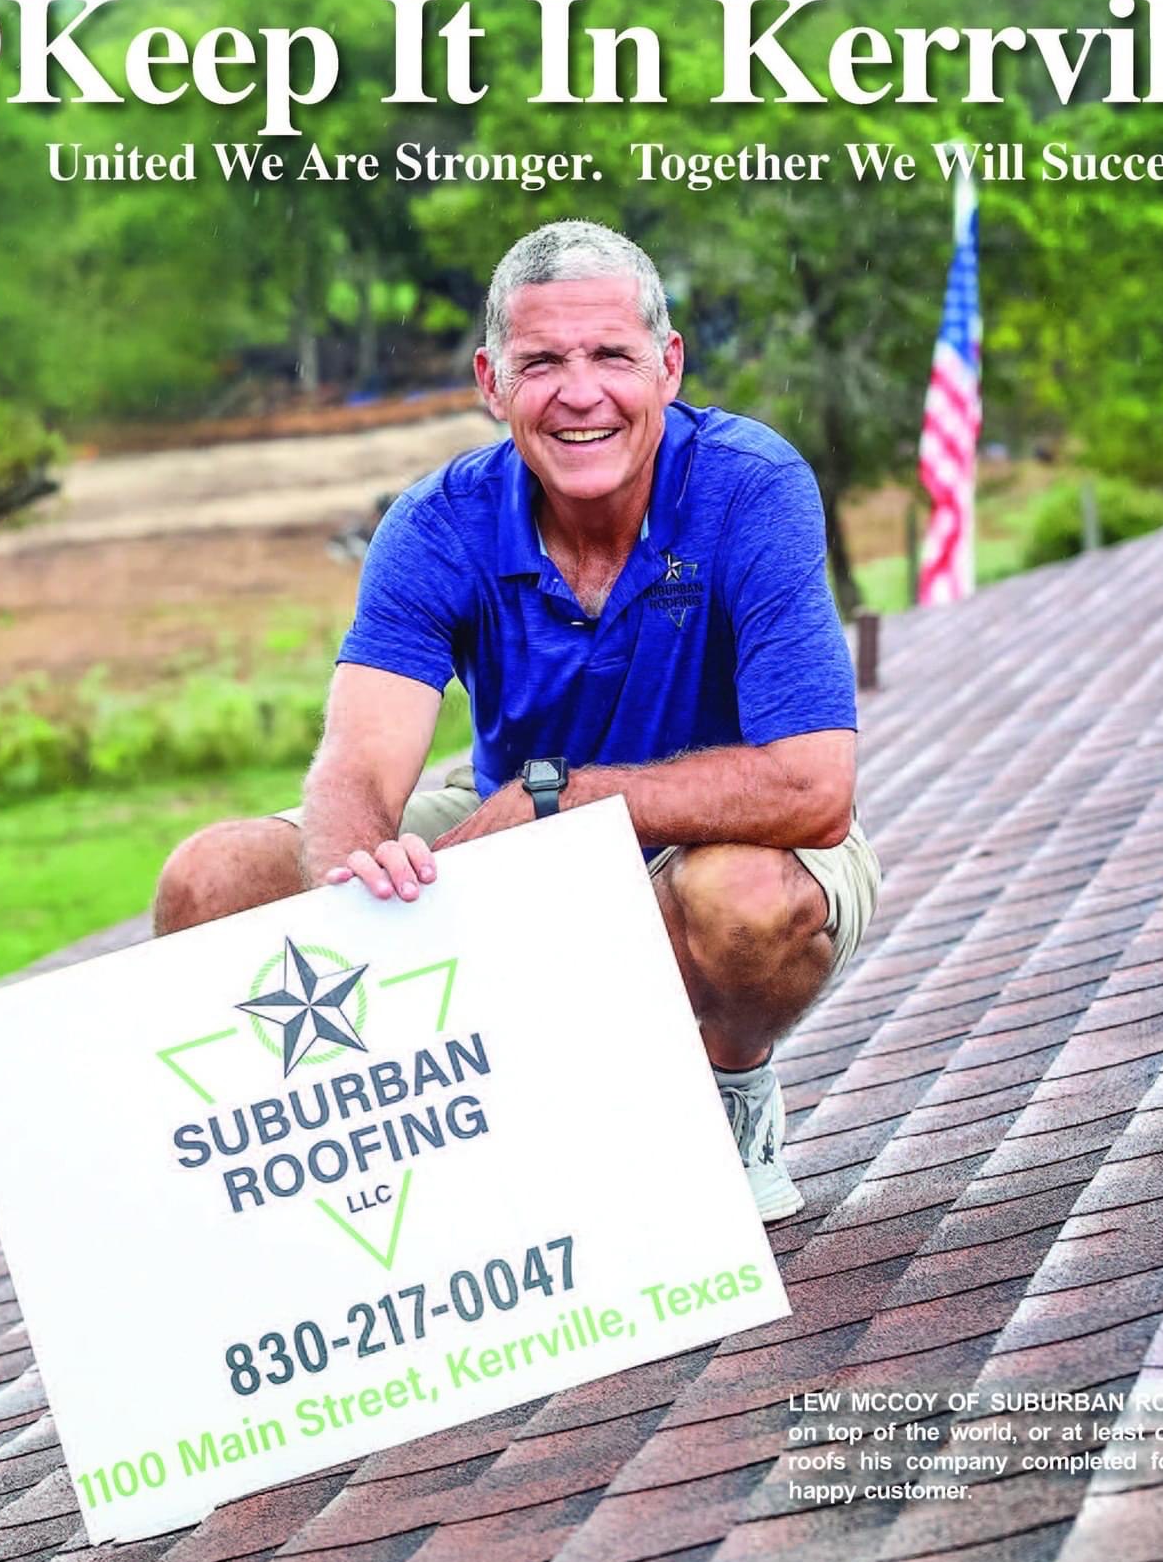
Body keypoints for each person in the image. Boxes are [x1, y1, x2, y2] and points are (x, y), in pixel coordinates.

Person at [154, 220, 882, 1219]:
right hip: (510, 802)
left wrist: (564, 799)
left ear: (667, 366)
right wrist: (361, 868)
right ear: (490, 382)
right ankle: (358, 1168)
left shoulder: (751, 487)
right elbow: (358, 758)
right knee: (211, 876)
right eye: (541, 361)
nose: (577, 392)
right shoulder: (435, 521)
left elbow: (812, 787)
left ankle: (728, 1081)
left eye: (609, 356)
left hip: (716, 824)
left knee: (747, 904)